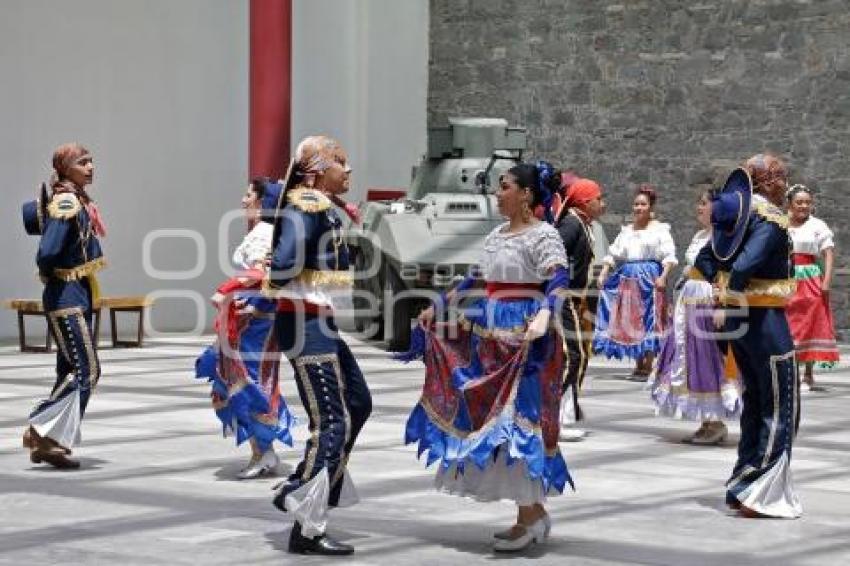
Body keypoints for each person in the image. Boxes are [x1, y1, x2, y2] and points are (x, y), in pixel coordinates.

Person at [407, 161, 572, 553]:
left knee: (520, 419)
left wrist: (547, 314)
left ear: (526, 194)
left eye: (505, 186)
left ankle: (530, 515)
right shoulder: (497, 234)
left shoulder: (545, 235)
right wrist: (440, 304)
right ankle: (529, 514)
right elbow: (475, 279)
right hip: (492, 333)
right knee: (496, 419)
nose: (498, 193)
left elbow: (559, 279)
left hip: (528, 335)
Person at [267, 136, 372, 556]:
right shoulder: (307, 205)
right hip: (304, 323)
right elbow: (284, 261)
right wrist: (278, 282)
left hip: (318, 322)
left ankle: (316, 484)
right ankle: (305, 518)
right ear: (316, 170)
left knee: (358, 403)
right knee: (331, 421)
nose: (347, 171)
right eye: (340, 163)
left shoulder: (319, 206)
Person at [694, 156, 801, 519]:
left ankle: (743, 482)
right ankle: (761, 491)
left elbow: (706, 258)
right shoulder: (768, 217)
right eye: (780, 177)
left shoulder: (736, 214)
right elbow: (746, 263)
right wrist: (733, 291)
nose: (784, 184)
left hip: (740, 319)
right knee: (779, 403)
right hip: (765, 319)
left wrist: (720, 291)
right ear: (766, 180)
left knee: (755, 400)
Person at [195, 178, 295, 479]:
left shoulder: (264, 233)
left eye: (249, 194)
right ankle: (263, 451)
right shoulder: (264, 232)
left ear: (263, 202)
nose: (243, 200)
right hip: (251, 320)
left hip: (257, 324)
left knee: (248, 384)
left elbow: (264, 273)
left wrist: (231, 292)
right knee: (242, 382)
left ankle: (263, 452)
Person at [21, 143, 106, 469]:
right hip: (66, 295)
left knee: (69, 370)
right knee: (88, 370)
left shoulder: (78, 198)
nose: (90, 167)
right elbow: (47, 252)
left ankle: (50, 443)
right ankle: (41, 427)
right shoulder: (67, 200)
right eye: (83, 162)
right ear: (66, 168)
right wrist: (49, 276)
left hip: (76, 292)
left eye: (91, 161)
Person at [649, 190, 742, 444]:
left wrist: (722, 303)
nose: (698, 207)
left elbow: (726, 272)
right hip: (689, 300)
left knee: (707, 357)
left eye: (704, 204)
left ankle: (715, 422)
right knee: (689, 358)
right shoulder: (702, 235)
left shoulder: (725, 238)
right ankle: (707, 420)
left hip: (706, 302)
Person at [594, 185, 677, 378]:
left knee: (649, 318)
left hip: (649, 277)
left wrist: (663, 277)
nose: (638, 208)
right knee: (633, 320)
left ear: (650, 207)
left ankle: (649, 362)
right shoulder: (627, 231)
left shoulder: (659, 230)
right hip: (629, 278)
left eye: (643, 204)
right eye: (636, 204)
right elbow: (614, 252)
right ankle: (639, 361)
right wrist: (604, 272)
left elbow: (669, 255)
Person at [553, 177, 606, 441]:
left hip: (576, 300)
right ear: (585, 202)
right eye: (599, 198)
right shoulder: (571, 224)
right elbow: (554, 255)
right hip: (563, 299)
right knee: (571, 356)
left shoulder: (581, 224)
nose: (603, 203)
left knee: (579, 356)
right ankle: (554, 418)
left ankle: (565, 414)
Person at [785, 184, 839, 391]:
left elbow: (829, 253)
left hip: (810, 279)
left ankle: (808, 374)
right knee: (789, 324)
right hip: (787, 279)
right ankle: (791, 372)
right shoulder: (782, 224)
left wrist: (826, 281)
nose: (804, 206)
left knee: (810, 324)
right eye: (799, 202)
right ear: (790, 203)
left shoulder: (817, 225)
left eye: (807, 202)